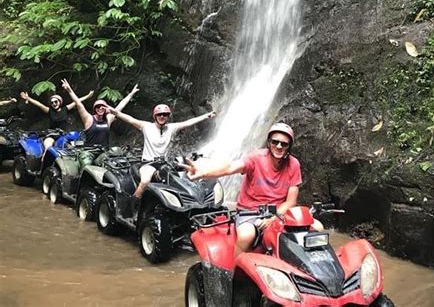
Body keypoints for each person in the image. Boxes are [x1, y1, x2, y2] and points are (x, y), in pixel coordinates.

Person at [183, 122, 323, 255]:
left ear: (289, 146)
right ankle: (235, 272)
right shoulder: (255, 158)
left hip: (279, 213)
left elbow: (291, 202)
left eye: (284, 144)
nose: (279, 146)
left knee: (317, 227)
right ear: (269, 143)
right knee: (246, 235)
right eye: (275, 142)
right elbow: (231, 167)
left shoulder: (294, 164)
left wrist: (273, 217)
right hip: (250, 212)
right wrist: (204, 172)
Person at [107, 103, 216, 199]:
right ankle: (133, 204)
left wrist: (206, 116)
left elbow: (188, 122)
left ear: (168, 116)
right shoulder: (146, 126)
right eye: (159, 114)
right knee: (145, 181)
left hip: (164, 163)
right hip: (148, 163)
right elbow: (130, 119)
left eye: (165, 114)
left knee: (185, 175)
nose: (162, 116)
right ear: (155, 116)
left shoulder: (171, 128)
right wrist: (113, 111)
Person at [61, 78, 139, 147]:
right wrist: (69, 90)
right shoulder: (89, 118)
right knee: (86, 162)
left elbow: (119, 107)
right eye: (98, 107)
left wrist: (130, 95)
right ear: (95, 109)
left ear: (106, 108)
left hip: (103, 151)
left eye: (102, 107)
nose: (100, 109)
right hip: (90, 151)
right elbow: (78, 104)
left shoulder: (108, 119)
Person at [20, 88, 93, 155]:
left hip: (64, 135)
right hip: (52, 135)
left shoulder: (65, 109)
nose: (54, 104)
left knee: (75, 147)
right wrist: (28, 98)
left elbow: (77, 101)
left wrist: (88, 96)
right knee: (48, 147)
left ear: (60, 102)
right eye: (52, 103)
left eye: (55, 102)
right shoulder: (49, 111)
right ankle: (43, 162)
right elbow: (39, 104)